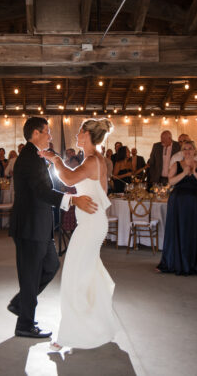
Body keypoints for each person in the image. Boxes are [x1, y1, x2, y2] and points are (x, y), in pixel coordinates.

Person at [7, 117, 97, 339]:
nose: (50, 136)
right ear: (35, 134)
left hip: (40, 225)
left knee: (51, 265)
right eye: (46, 132)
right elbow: (42, 192)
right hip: (29, 226)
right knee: (30, 275)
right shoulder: (28, 158)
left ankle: (21, 303)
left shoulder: (37, 157)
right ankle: (24, 324)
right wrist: (73, 200)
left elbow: (50, 186)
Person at [37, 118, 118, 351]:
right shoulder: (93, 159)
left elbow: (70, 179)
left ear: (88, 135)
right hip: (92, 223)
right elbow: (75, 178)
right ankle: (93, 325)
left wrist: (56, 160)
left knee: (74, 277)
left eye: (80, 132)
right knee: (87, 276)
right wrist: (57, 161)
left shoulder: (93, 160)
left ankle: (68, 335)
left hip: (91, 225)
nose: (76, 135)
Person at [156, 140, 197, 275]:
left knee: (195, 230)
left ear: (195, 151)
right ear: (182, 151)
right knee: (179, 229)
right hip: (179, 202)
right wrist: (184, 172)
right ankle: (175, 260)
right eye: (185, 149)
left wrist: (194, 173)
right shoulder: (176, 164)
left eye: (190, 148)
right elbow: (171, 181)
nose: (187, 151)